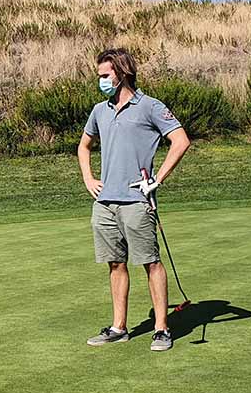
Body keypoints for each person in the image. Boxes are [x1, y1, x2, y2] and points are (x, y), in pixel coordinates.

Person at [77, 48, 192, 351]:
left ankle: (162, 329)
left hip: (137, 201)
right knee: (115, 264)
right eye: (99, 75)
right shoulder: (100, 111)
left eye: (105, 75)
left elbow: (180, 141)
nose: (100, 80)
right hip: (105, 203)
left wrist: (157, 180)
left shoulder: (150, 107)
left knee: (151, 263)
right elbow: (83, 146)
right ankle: (118, 327)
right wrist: (89, 178)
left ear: (122, 72)